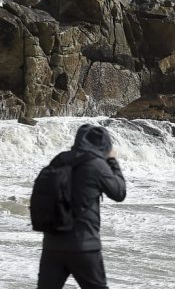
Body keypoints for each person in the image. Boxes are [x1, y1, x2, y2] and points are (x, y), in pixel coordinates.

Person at [37, 124, 126, 289]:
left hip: (52, 245)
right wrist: (112, 161)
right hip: (84, 246)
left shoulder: (59, 160)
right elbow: (119, 192)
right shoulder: (97, 164)